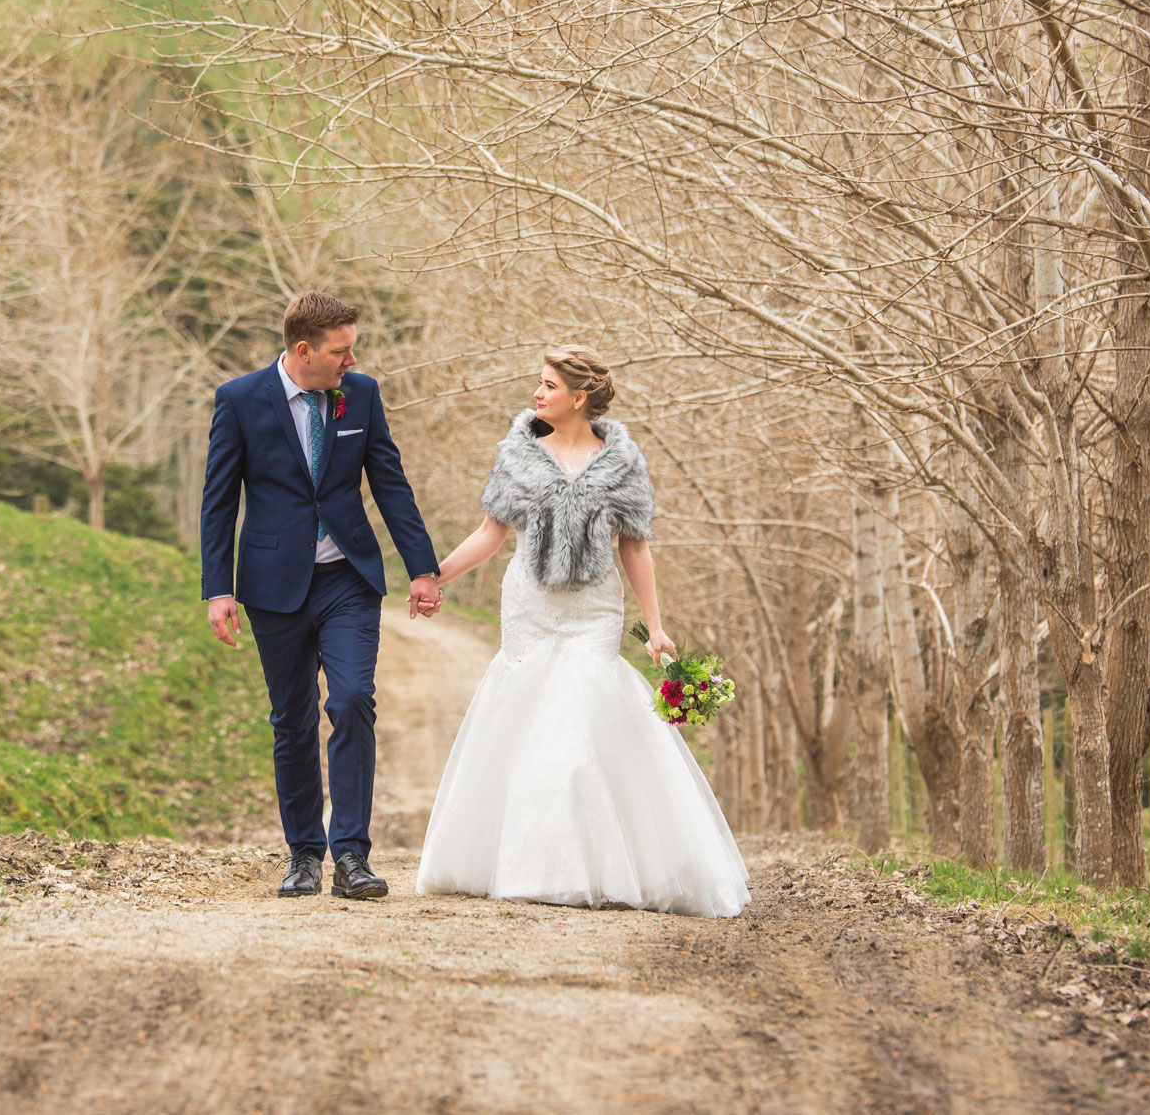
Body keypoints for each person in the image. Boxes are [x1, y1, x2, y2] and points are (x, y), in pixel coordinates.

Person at [416, 346, 750, 917]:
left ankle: (587, 865)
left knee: (578, 729)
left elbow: (636, 545)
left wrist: (657, 626)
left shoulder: (623, 462)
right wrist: (432, 575)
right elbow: (490, 533)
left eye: (548, 386)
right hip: (530, 606)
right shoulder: (518, 455)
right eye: (538, 384)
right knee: (529, 722)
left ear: (580, 397)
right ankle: (526, 860)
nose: (537, 394)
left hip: (595, 609)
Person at [200, 292, 442, 899]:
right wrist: (217, 590)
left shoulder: (360, 394)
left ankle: (352, 858)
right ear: (303, 351)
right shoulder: (239, 400)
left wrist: (422, 569)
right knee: (293, 720)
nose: (351, 359)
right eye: (341, 350)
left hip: (347, 579)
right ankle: (304, 853)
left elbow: (390, 481)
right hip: (272, 587)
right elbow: (219, 502)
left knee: (354, 699)